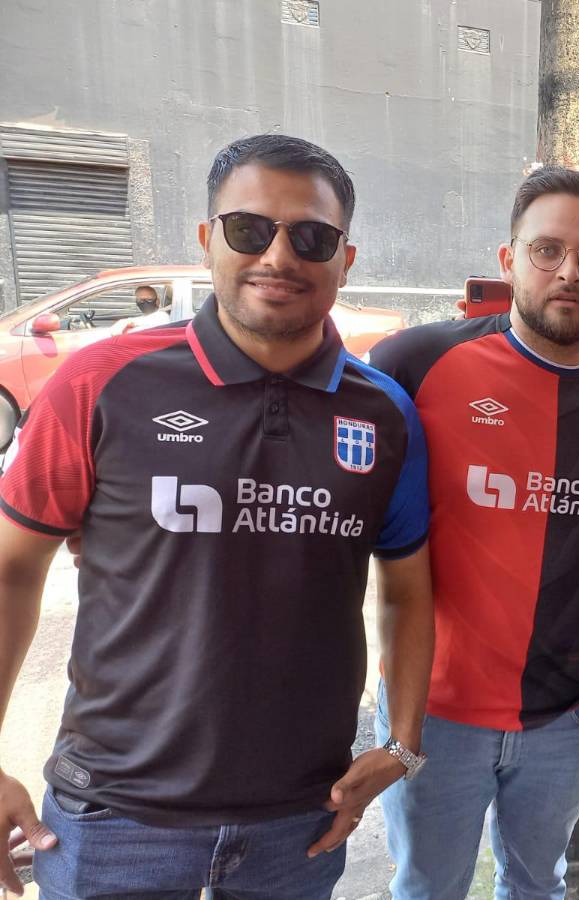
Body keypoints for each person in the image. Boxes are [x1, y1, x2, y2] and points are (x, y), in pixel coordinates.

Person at [0, 133, 435, 899]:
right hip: (114, 819)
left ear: (345, 259)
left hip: (299, 821)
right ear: (207, 240)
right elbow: (11, 570)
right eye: (248, 229)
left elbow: (406, 589)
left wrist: (402, 743)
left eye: (312, 237)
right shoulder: (103, 383)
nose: (278, 255)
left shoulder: (386, 414)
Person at [366, 165, 579, 900]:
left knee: (538, 887)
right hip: (433, 710)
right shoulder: (415, 363)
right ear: (509, 261)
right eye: (546, 250)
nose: (569, 270)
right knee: (426, 888)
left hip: (567, 712)